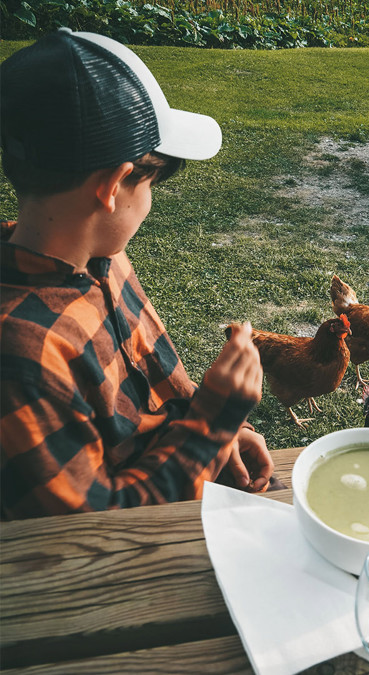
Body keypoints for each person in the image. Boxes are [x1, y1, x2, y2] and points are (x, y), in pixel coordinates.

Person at [0, 29, 274, 520]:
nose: (149, 199)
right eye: (151, 180)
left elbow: (161, 399)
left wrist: (225, 436)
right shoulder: (22, 356)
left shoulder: (103, 258)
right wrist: (214, 424)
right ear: (111, 187)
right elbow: (96, 522)